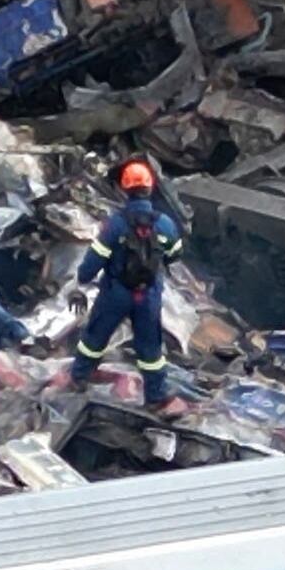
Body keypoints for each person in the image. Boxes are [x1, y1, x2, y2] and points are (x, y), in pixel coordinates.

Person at [69, 159, 188, 412]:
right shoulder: (165, 223)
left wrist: (82, 279)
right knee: (150, 349)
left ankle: (79, 378)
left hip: (116, 292)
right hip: (148, 294)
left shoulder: (116, 224)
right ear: (150, 187)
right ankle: (155, 397)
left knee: (95, 336)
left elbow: (95, 258)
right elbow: (175, 254)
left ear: (124, 189)